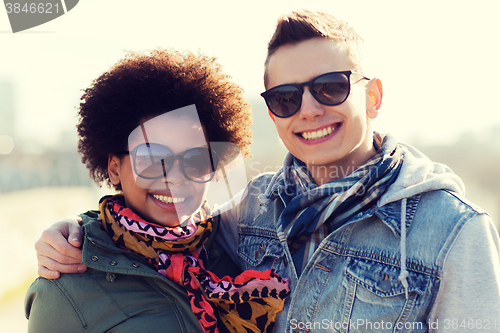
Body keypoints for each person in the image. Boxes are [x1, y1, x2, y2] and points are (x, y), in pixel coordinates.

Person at [33, 10, 500, 332]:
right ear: (273, 114)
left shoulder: (453, 231)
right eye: (286, 98)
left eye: (331, 87)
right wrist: (75, 234)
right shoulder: (253, 210)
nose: (310, 110)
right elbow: (160, 231)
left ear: (372, 97)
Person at [25, 49, 290, 333]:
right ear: (114, 168)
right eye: (152, 158)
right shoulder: (65, 289)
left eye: (196, 159)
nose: (174, 178)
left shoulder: (235, 249)